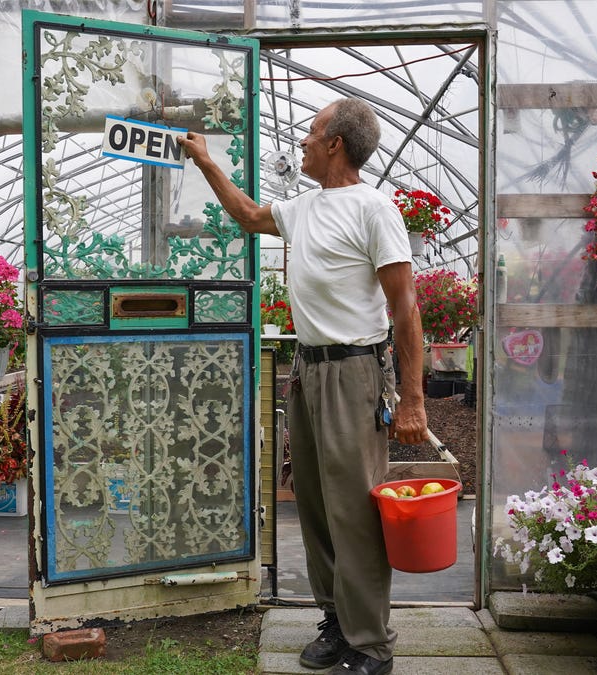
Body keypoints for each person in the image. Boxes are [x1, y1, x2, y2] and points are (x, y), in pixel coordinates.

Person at [179, 98, 427, 675]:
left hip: (354, 373)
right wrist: (206, 162)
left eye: (313, 133)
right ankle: (337, 623)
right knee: (315, 507)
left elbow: (405, 307)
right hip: (309, 370)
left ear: (336, 143)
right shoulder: (304, 207)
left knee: (356, 513)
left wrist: (413, 400)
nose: (304, 143)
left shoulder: (374, 209)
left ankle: (371, 645)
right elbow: (247, 215)